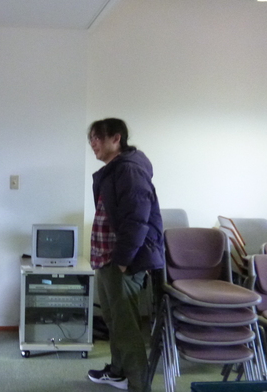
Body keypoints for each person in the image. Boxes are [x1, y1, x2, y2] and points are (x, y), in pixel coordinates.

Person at [86, 118, 164, 392]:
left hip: (122, 261)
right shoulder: (114, 170)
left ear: (116, 138)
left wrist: (121, 261)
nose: (93, 143)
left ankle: (139, 386)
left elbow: (136, 220)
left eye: (97, 137)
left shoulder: (129, 170)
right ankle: (117, 372)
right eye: (91, 139)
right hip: (107, 258)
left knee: (127, 327)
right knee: (114, 322)